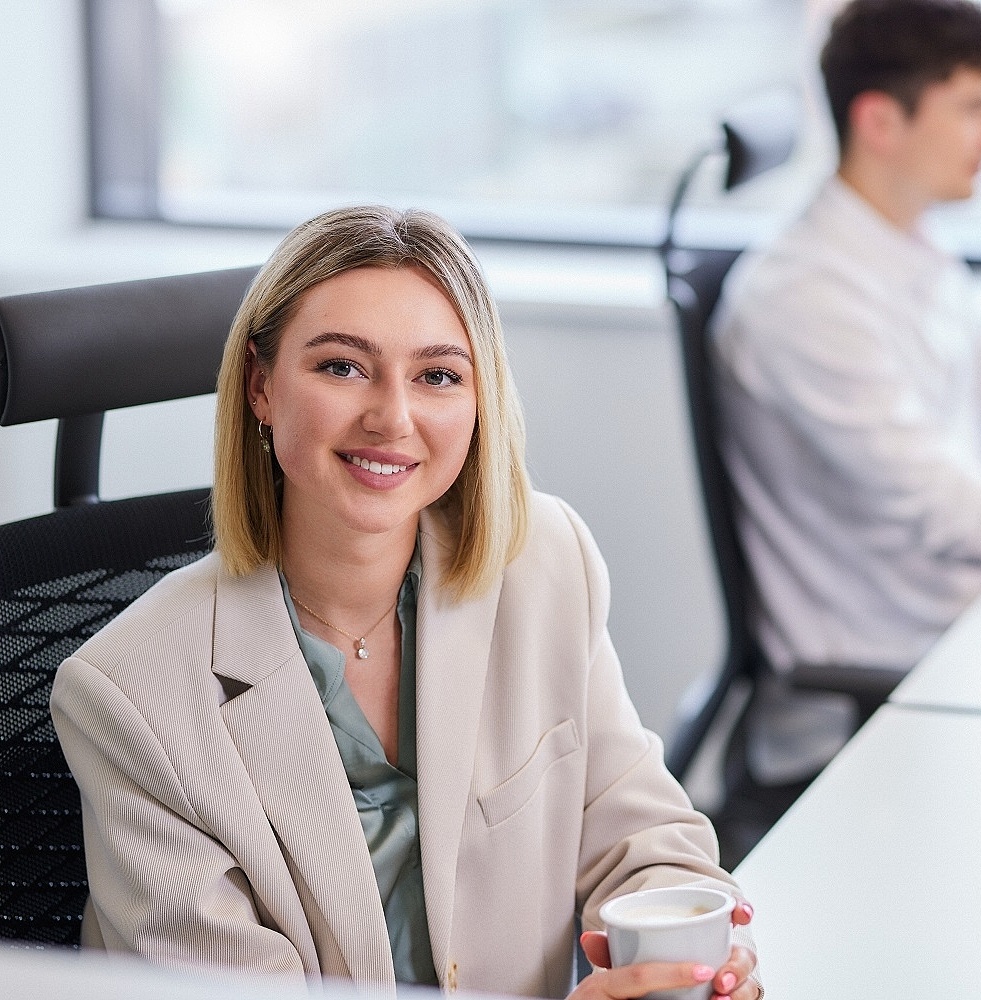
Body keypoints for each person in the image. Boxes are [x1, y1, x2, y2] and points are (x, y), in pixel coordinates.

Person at [50, 206, 761, 999]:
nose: (393, 418)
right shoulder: (126, 697)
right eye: (342, 367)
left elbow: (640, 834)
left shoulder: (545, 563)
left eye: (437, 375)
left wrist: (693, 948)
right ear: (260, 386)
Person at [714, 0, 981, 678]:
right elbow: (949, 509)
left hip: (968, 627)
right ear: (879, 121)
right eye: (972, 108)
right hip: (892, 680)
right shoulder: (802, 295)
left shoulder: (912, 244)